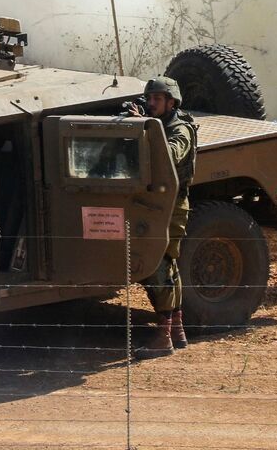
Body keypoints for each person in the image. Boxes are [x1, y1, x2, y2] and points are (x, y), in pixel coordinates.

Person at [126, 76, 196, 358]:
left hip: (172, 206)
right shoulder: (161, 124)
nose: (152, 103)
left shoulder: (180, 129)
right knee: (168, 266)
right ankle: (176, 330)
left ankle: (163, 336)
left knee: (158, 265)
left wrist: (144, 129)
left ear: (171, 102)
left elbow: (170, 154)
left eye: (157, 99)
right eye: (149, 99)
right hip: (158, 204)